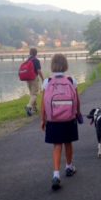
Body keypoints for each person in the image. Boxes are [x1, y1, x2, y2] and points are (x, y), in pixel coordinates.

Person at [41, 53, 81, 190]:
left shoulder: (46, 82)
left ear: (52, 65)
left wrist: (43, 119)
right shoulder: (71, 80)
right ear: (65, 65)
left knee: (57, 145)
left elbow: (43, 103)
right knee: (68, 143)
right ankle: (69, 167)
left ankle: (56, 175)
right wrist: (78, 113)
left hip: (53, 119)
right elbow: (77, 99)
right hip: (69, 117)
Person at [25, 48, 44, 116]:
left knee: (32, 94)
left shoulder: (27, 60)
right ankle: (29, 106)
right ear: (36, 53)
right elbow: (38, 71)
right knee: (35, 94)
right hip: (34, 78)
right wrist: (42, 78)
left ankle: (34, 108)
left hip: (27, 79)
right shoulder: (36, 60)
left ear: (30, 53)